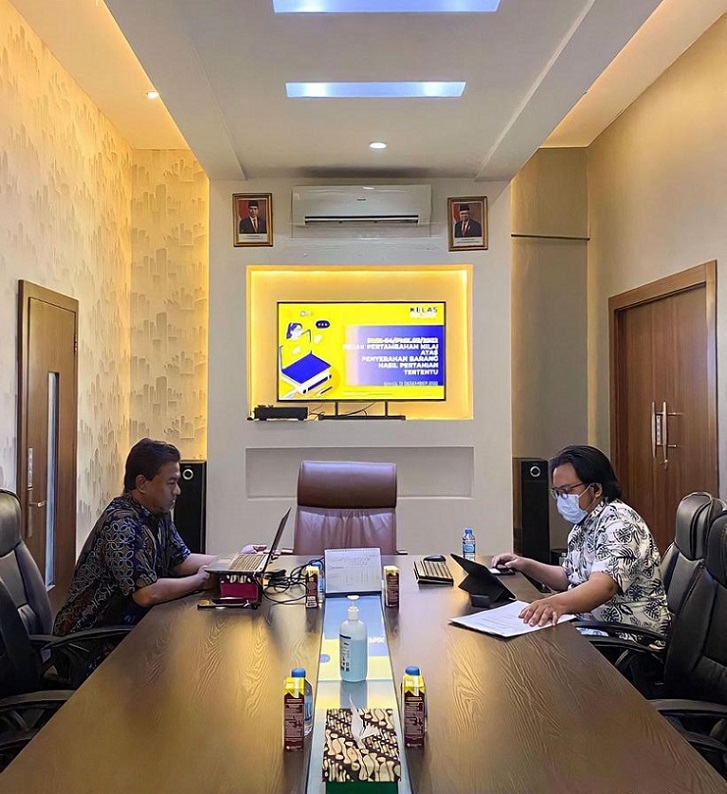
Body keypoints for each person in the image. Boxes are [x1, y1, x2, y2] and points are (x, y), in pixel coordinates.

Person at [493, 445, 670, 634]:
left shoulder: (620, 523)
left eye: (567, 490)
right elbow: (568, 577)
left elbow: (604, 587)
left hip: (625, 636)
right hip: (592, 627)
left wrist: (555, 603)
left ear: (596, 489)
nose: (562, 499)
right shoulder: (585, 522)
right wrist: (524, 564)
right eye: (558, 492)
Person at [54, 438, 220, 636]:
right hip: (90, 640)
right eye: (171, 483)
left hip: (130, 630)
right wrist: (200, 580)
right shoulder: (121, 524)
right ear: (142, 483)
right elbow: (146, 593)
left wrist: (233, 562)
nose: (178, 491)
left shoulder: (157, 513)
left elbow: (181, 560)